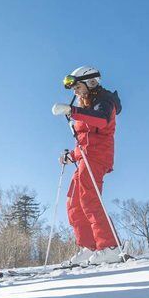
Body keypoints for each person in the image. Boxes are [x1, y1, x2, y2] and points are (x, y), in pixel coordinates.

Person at [52, 66, 125, 266]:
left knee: (89, 199)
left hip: (97, 158)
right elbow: (85, 141)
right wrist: (71, 155)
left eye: (77, 87)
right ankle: (90, 246)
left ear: (91, 82)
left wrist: (72, 111)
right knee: (73, 202)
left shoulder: (104, 101)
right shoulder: (86, 106)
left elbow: (101, 122)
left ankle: (110, 246)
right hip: (85, 157)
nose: (75, 92)